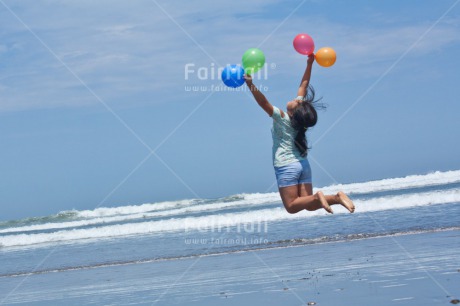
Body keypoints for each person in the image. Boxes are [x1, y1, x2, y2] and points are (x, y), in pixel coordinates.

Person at [244, 54, 355, 215]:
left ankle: (319, 196)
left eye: (297, 101)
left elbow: (263, 103)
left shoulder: (282, 118)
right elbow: (304, 85)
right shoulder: (297, 120)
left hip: (286, 165)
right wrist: (309, 64)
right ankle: (337, 198)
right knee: (309, 204)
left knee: (291, 207)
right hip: (303, 164)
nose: (296, 99)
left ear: (295, 112)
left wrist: (250, 85)